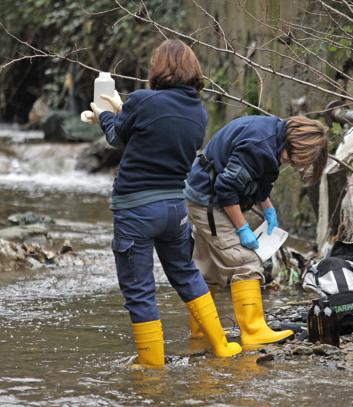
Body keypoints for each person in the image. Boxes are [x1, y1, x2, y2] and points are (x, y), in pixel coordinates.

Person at [85, 39, 241, 367]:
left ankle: (151, 367)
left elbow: (116, 137)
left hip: (136, 209)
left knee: (140, 289)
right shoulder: (199, 112)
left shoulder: (142, 101)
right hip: (175, 210)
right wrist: (119, 110)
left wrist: (104, 114)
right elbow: (151, 132)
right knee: (185, 272)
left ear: (158, 69)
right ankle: (222, 344)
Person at [183, 115, 328, 345]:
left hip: (204, 194)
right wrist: (242, 229)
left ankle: (201, 332)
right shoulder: (259, 146)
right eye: (294, 159)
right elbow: (226, 187)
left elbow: (258, 178)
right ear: (295, 144)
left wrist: (268, 209)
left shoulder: (275, 134)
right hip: (209, 201)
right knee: (246, 262)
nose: (291, 163)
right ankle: (253, 332)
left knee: (208, 269)